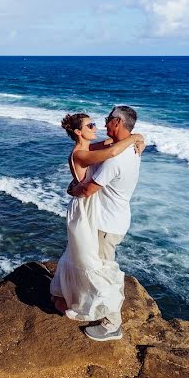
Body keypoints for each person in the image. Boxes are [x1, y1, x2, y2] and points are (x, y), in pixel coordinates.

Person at [50, 106, 143, 342]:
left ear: (117, 122)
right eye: (91, 125)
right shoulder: (86, 153)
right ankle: (79, 303)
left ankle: (111, 323)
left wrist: (136, 137)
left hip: (103, 218)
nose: (98, 126)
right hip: (92, 213)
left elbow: (110, 154)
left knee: (94, 265)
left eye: (102, 121)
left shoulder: (104, 149)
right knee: (88, 261)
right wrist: (134, 137)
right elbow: (107, 158)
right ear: (79, 133)